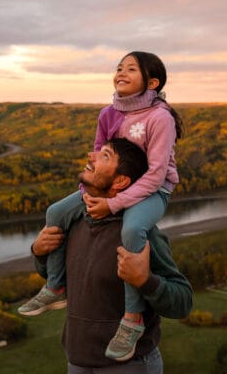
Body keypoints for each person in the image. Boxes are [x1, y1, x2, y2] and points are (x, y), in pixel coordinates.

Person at [19, 51, 184, 362]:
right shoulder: (109, 113)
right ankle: (56, 287)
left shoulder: (159, 117)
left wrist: (114, 204)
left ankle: (132, 319)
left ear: (152, 82)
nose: (121, 72)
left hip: (152, 190)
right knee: (56, 212)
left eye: (131, 69)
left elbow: (157, 173)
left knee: (133, 228)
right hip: (114, 190)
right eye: (119, 67)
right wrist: (89, 191)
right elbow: (98, 155)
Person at [28, 137, 193, 372]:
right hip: (77, 362)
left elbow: (183, 302)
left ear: (121, 181)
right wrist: (39, 253)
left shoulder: (139, 236)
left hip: (128, 366)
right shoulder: (74, 223)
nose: (91, 156)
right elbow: (64, 280)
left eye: (104, 156)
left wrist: (146, 281)